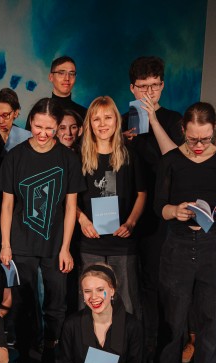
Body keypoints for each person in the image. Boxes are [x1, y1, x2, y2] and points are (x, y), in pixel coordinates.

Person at [154, 102, 216, 363]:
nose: (199, 145)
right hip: (177, 244)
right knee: (172, 317)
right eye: (192, 139)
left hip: (214, 246)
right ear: (183, 131)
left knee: (211, 318)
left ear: (214, 129)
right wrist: (174, 210)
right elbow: (158, 206)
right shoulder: (171, 161)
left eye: (205, 138)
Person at [0, 98, 84, 355]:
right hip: (21, 241)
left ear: (57, 126)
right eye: (38, 127)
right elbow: (7, 205)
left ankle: (52, 347)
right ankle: (28, 352)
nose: (43, 134)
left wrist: (66, 248)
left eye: (49, 128)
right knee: (24, 300)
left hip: (55, 243)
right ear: (30, 123)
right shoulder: (15, 156)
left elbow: (71, 207)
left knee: (56, 301)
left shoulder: (68, 158)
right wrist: (5, 244)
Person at [121, 56, 184, 363]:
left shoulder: (173, 120)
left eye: (155, 86)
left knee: (159, 288)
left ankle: (160, 355)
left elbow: (175, 161)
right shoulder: (122, 121)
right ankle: (134, 352)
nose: (149, 92)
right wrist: (120, 142)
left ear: (163, 86)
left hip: (161, 218)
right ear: (132, 88)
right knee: (130, 288)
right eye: (143, 87)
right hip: (125, 215)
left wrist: (153, 120)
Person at [30, 263, 159, 363]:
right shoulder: (72, 323)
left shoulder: (132, 325)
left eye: (100, 290)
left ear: (112, 290)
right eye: (87, 291)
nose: (93, 297)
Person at [76, 96, 146, 317]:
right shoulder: (79, 157)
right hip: (91, 242)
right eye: (96, 119)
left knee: (127, 302)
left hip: (122, 242)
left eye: (107, 117)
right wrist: (82, 220)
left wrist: (131, 223)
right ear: (89, 123)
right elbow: (69, 199)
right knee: (89, 303)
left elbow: (142, 194)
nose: (102, 124)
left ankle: (127, 340)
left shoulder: (129, 155)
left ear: (117, 121)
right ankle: (89, 341)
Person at [26, 56, 87, 128]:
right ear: (51, 77)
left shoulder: (84, 113)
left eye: (71, 74)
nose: (67, 78)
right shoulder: (38, 111)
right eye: (61, 73)